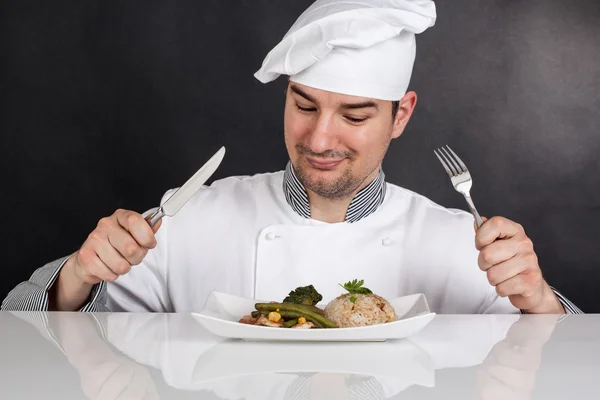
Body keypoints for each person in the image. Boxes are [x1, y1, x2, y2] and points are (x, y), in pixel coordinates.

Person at [1, 0, 581, 314]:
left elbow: (570, 372)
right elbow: (18, 324)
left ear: (401, 115)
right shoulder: (190, 217)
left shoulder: (464, 242)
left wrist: (539, 300)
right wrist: (77, 275)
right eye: (304, 105)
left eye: (354, 115)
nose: (320, 139)